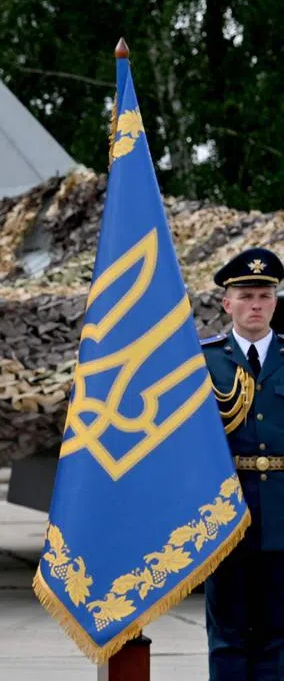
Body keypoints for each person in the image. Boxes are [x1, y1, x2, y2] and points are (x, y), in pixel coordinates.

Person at [203, 247, 284, 679]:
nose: (256, 304)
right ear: (226, 302)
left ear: (275, 301)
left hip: (283, 517)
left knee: (280, 637)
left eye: (265, 295)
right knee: (229, 636)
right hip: (225, 515)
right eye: (246, 295)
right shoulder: (203, 361)